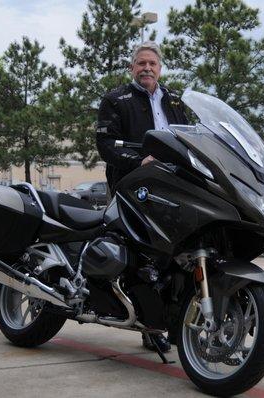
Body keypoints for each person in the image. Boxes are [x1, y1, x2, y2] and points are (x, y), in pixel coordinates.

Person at [96, 41, 188, 353]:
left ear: (160, 69)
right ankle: (151, 325)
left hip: (174, 188)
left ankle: (179, 318)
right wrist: (139, 161)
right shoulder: (116, 99)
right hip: (134, 186)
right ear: (132, 68)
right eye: (141, 63)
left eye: (152, 64)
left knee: (177, 254)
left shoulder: (176, 101)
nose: (147, 68)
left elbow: (193, 137)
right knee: (142, 254)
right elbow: (105, 144)